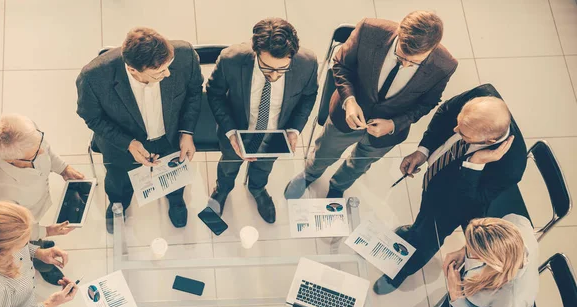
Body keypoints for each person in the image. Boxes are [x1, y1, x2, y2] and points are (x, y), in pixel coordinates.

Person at [284, 11, 457, 199]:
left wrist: (394, 124)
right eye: (400, 57)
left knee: (360, 163)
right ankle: (309, 175)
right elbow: (341, 65)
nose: (406, 65)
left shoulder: (445, 65)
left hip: (388, 132)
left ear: (432, 49)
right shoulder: (368, 30)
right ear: (398, 32)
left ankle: (338, 186)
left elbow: (428, 103)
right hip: (345, 115)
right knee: (324, 152)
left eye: (414, 62)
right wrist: (349, 101)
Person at [373, 84, 527, 295]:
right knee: (422, 219)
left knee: (427, 239)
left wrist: (476, 163)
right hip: (436, 177)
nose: (454, 131)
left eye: (463, 135)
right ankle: (413, 231)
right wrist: (424, 150)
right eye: (458, 125)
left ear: (489, 141)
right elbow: (445, 111)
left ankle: (400, 272)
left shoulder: (511, 167)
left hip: (452, 202)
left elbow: (469, 203)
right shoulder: (483, 95)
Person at [76, 27, 203, 233]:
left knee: (174, 172)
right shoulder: (93, 78)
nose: (168, 73)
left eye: (168, 67)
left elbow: (194, 93)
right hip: (122, 141)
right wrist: (128, 143)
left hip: (170, 135)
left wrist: (186, 132)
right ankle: (119, 204)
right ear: (133, 69)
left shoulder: (185, 55)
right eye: (159, 72)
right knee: (118, 179)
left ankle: (176, 199)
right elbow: (91, 117)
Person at [206, 18, 318, 223]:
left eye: (282, 69)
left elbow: (309, 96)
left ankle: (257, 188)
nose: (274, 76)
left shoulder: (307, 63)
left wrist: (294, 129)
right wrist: (230, 132)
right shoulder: (231, 59)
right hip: (237, 130)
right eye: (266, 68)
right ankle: (222, 190)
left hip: (275, 133)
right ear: (255, 51)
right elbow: (214, 94)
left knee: (264, 167)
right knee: (228, 166)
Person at [393, 214, 539, 307]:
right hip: (473, 291)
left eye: (473, 252)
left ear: (492, 263)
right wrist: (463, 252)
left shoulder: (510, 302)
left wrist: (458, 298)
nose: (469, 252)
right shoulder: (515, 222)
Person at [0, 114, 85, 286]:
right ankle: (43, 265)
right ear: (12, 160)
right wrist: (45, 231)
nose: (42, 150)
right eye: (35, 154)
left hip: (32, 207)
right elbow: (13, 233)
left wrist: (63, 168)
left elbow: (46, 149)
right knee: (29, 243)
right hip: (21, 225)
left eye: (39, 140)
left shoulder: (26, 134)